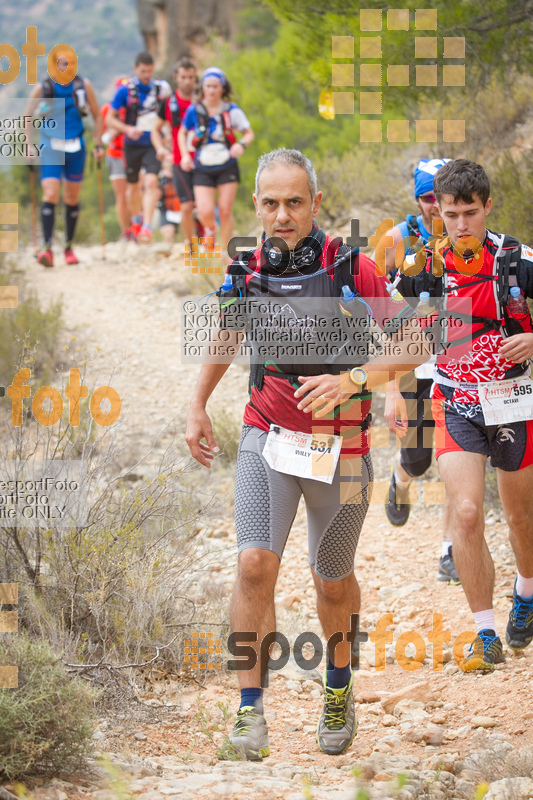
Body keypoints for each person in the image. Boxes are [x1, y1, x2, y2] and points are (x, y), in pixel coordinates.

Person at [186, 148, 431, 760]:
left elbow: (421, 334)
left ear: (315, 204)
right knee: (252, 567)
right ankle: (249, 712)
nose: (282, 214)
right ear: (256, 205)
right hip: (265, 435)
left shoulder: (353, 267)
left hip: (340, 449)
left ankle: (339, 687)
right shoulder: (245, 266)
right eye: (270, 203)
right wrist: (196, 404)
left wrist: (356, 380)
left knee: (331, 580)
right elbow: (226, 330)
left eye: (295, 202)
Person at [397, 158, 533, 671]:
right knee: (469, 513)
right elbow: (399, 335)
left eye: (469, 213)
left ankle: (526, 591)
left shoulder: (517, 260)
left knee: (520, 517)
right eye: (449, 213)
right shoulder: (423, 266)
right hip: (454, 398)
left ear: (487, 207)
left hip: (513, 401)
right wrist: (388, 390)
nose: (459, 225)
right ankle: (485, 631)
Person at [381, 158, 460, 585]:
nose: (436, 206)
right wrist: (391, 389)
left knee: (457, 460)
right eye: (429, 198)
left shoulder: (469, 239)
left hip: (457, 368)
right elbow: (389, 315)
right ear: (418, 199)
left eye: (442, 198)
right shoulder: (399, 240)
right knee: (419, 458)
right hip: (413, 363)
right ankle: (400, 478)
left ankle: (450, 551)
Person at [25, 53, 104, 267]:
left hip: (76, 146)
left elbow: (97, 115)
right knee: (50, 192)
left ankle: (69, 247)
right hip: (50, 145)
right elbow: (27, 116)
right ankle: (47, 248)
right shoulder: (44, 88)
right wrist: (29, 144)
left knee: (71, 198)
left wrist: (98, 143)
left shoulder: (82, 85)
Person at [178, 67, 254, 255]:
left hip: (226, 164)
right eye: (208, 86)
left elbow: (248, 132)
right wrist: (185, 155)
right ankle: (209, 228)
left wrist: (241, 144)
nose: (211, 90)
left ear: (222, 88)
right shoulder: (194, 110)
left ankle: (227, 253)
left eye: (215, 86)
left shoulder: (232, 110)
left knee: (226, 211)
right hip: (202, 166)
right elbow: (182, 132)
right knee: (204, 211)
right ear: (202, 88)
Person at [108, 52, 171, 243]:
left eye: (150, 71)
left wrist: (168, 135)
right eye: (143, 71)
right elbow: (109, 118)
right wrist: (127, 129)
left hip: (153, 143)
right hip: (131, 145)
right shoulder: (124, 91)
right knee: (133, 187)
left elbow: (170, 113)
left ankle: (147, 227)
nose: (147, 75)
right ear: (135, 69)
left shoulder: (161, 89)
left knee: (151, 183)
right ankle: (136, 220)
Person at [151, 57, 198, 254]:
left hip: (204, 160)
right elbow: (155, 130)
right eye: (183, 77)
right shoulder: (168, 103)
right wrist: (160, 148)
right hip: (179, 160)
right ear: (176, 78)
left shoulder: (203, 100)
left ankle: (208, 241)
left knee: (204, 207)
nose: (187, 81)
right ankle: (191, 245)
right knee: (186, 206)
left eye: (191, 77)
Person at [101, 78, 133, 240]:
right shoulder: (107, 109)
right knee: (121, 195)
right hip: (115, 154)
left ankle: (136, 227)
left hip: (133, 153)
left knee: (133, 192)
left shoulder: (134, 108)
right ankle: (125, 231)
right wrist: (110, 135)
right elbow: (100, 135)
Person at [157, 153, 181, 249]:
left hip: (182, 208)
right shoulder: (159, 177)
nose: (170, 163)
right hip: (166, 209)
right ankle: (168, 251)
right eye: (167, 161)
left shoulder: (182, 175)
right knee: (168, 231)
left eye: (172, 161)